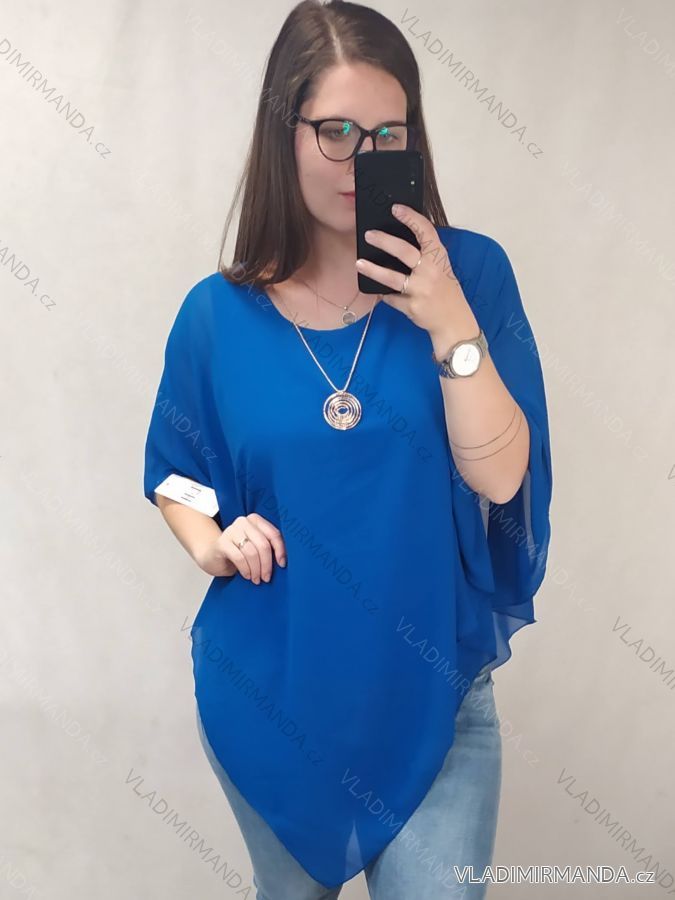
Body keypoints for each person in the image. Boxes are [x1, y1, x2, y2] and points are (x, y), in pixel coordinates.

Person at [142, 1, 553, 897]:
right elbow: (175, 472)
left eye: (386, 136)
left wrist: (448, 319)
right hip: (273, 695)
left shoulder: (471, 275)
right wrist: (214, 543)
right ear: (283, 131)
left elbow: (500, 478)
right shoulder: (216, 315)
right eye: (335, 132)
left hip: (436, 698)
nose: (360, 160)